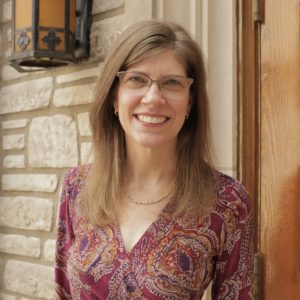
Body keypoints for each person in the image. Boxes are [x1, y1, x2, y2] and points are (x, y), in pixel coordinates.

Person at [55, 20, 254, 299]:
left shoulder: (228, 201)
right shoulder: (76, 187)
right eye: (137, 79)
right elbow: (62, 292)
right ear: (114, 96)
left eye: (172, 83)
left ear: (190, 102)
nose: (153, 98)